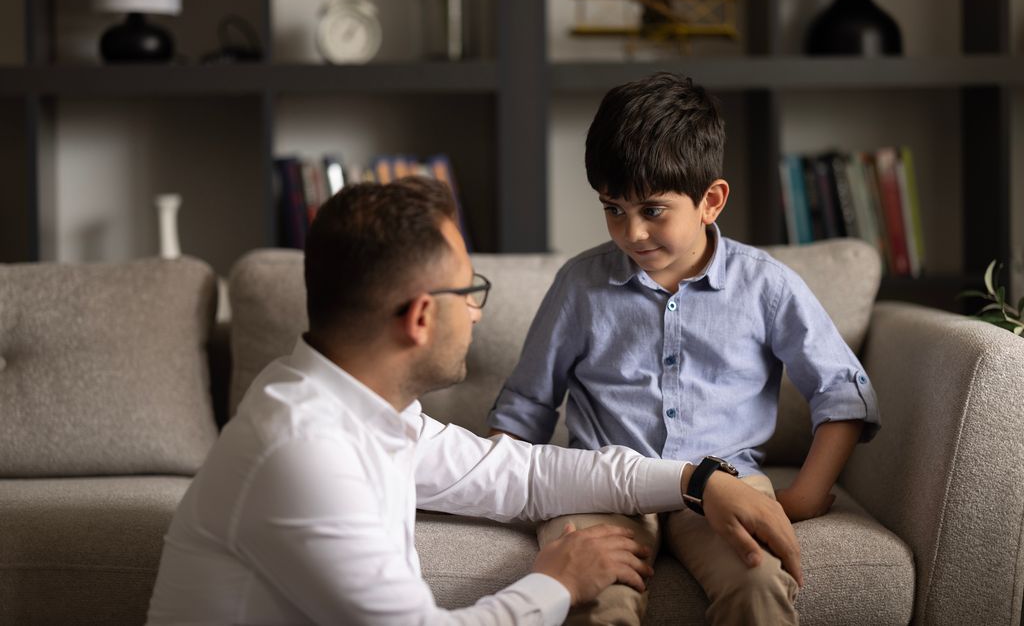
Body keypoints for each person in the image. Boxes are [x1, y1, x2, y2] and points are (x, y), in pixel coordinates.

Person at [145, 176, 802, 626]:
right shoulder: (302, 452)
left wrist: (694, 480)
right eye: (471, 292)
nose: (479, 314)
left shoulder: (364, 409)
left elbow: (522, 474)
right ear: (421, 318)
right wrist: (558, 580)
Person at [488, 72, 881, 625]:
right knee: (595, 599)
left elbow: (842, 390)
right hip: (603, 487)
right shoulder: (580, 286)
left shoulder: (766, 285)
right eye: (612, 208)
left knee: (758, 581)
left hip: (729, 483)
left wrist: (807, 494)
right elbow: (526, 406)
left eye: (652, 210)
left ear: (710, 201)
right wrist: (497, 495)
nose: (631, 233)